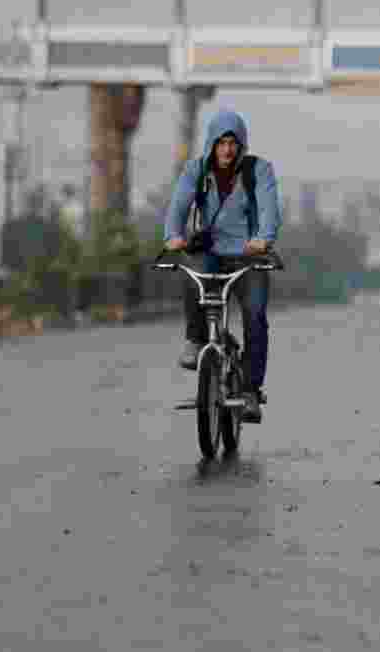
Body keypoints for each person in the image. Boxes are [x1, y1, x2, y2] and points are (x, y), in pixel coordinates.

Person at [163, 107, 282, 423]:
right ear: (212, 144)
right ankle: (196, 338)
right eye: (221, 142)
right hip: (212, 251)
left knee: (255, 314)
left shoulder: (259, 170)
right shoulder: (196, 170)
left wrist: (263, 238)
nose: (227, 148)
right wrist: (173, 236)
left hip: (249, 254)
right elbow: (178, 205)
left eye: (233, 142)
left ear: (241, 143)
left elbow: (269, 209)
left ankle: (251, 391)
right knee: (193, 273)